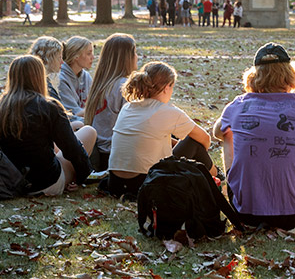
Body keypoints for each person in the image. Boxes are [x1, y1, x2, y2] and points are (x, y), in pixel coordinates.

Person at [213, 43, 295, 229]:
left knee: (227, 133)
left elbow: (217, 133)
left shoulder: (237, 105)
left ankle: (243, 191)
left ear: (255, 75)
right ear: (289, 73)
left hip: (245, 214)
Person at [0, 55, 96, 196]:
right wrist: (82, 176)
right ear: (39, 76)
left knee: (73, 127)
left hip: (9, 180)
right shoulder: (48, 106)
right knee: (88, 131)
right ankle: (72, 178)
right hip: (45, 182)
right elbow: (72, 148)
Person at [100, 62, 216, 198]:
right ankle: (216, 175)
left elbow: (146, 138)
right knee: (193, 142)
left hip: (116, 183)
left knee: (181, 142)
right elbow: (205, 139)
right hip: (148, 183)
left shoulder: (128, 107)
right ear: (167, 87)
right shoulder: (168, 111)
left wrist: (174, 144)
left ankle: (215, 175)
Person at [84, 33, 138, 169]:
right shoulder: (124, 86)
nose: (137, 57)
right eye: (135, 53)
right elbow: (134, 126)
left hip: (98, 151)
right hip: (115, 155)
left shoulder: (100, 83)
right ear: (126, 58)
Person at [59, 36, 94, 119]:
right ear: (76, 57)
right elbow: (73, 114)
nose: (93, 57)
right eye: (89, 53)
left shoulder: (86, 76)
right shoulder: (61, 79)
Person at [28, 36, 66, 104]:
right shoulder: (43, 85)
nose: (62, 62)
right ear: (48, 58)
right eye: (59, 57)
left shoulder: (34, 79)